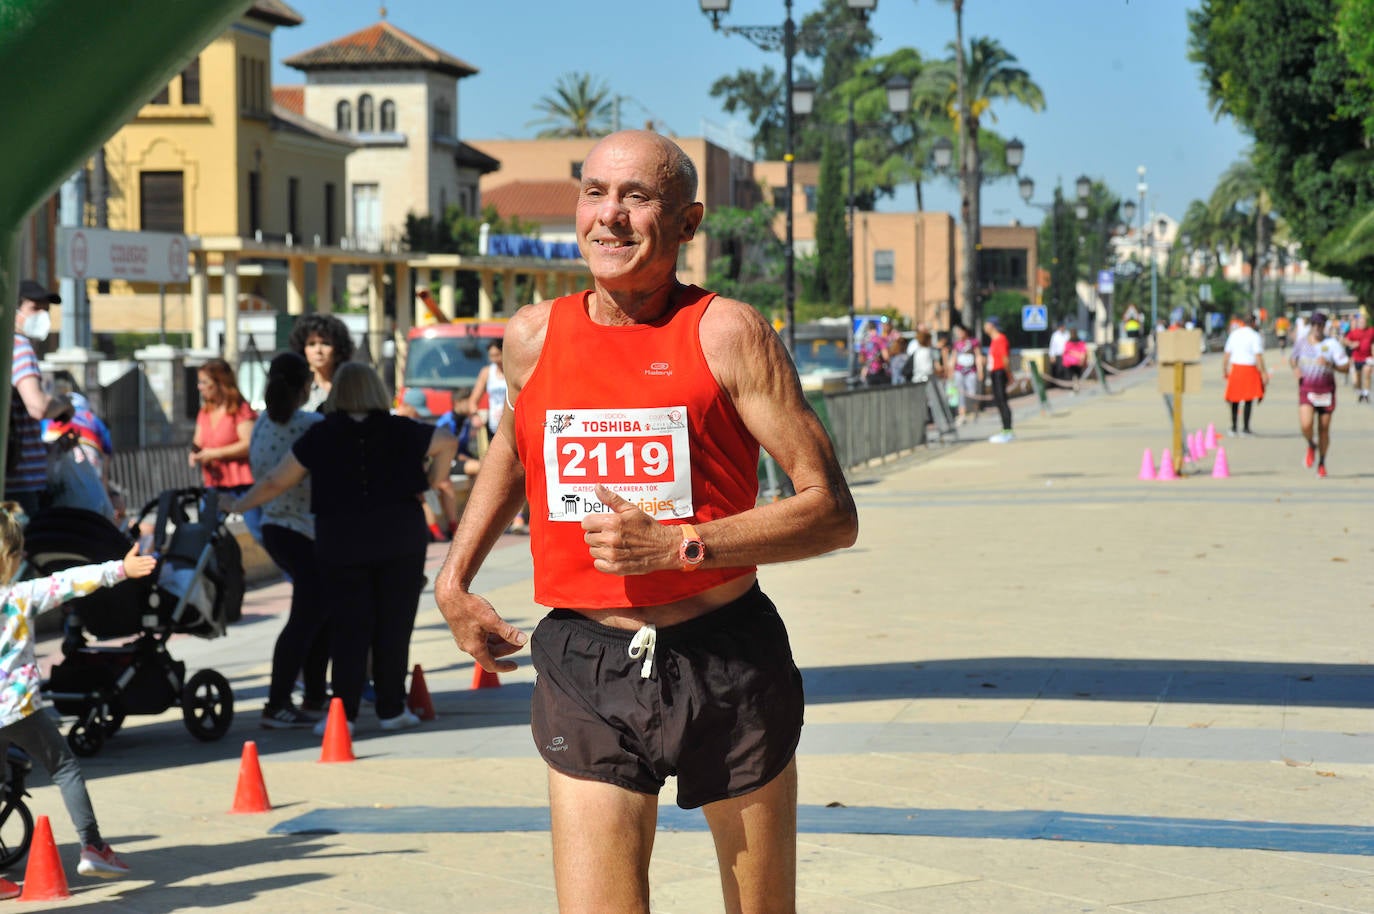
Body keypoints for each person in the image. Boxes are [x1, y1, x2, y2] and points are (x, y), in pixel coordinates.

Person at [433, 129, 858, 914]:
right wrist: (453, 580)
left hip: (724, 659)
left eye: (637, 197)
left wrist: (682, 545)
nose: (611, 217)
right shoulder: (532, 336)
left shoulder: (728, 333)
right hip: (587, 660)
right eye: (595, 193)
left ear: (688, 223)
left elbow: (831, 512)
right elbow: (515, 449)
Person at [227, 363, 456, 733]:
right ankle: (391, 708)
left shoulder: (321, 435)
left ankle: (343, 713)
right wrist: (433, 479)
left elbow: (275, 482)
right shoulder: (402, 429)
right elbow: (447, 440)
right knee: (394, 626)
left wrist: (237, 506)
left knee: (349, 628)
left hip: (341, 541)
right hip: (400, 536)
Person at [0, 502, 155, 878]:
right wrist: (121, 569)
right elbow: (71, 581)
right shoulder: (21, 596)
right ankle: (93, 846)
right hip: (18, 710)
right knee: (64, 767)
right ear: (14, 557)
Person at [247, 352, 328, 728]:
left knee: (316, 615)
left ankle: (314, 695)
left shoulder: (261, 424)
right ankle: (277, 703)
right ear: (304, 386)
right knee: (305, 619)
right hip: (302, 531)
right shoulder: (312, 424)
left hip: (275, 529)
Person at [6, 280, 72, 519]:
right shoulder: (19, 347)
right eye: (35, 309)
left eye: (46, 310)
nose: (43, 315)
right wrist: (65, 404)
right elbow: (38, 406)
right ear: (15, 311)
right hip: (21, 483)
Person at [189, 358, 262, 543]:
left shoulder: (240, 410)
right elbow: (198, 442)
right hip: (214, 484)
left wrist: (215, 453)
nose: (200, 387)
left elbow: (249, 444)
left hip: (244, 484)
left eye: (205, 382)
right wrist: (194, 453)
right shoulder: (204, 412)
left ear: (220, 382)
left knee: (259, 532)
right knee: (206, 534)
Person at [1290, 311, 1349, 478]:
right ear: (1311, 326)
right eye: (1314, 324)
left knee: (1324, 429)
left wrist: (1330, 364)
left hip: (1326, 390)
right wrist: (1295, 368)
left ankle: (1322, 463)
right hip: (1307, 389)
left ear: (1324, 326)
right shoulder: (1301, 343)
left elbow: (1345, 367)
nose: (1317, 327)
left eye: (1320, 324)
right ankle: (1310, 444)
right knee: (1306, 424)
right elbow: (1293, 359)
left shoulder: (1332, 344)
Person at [289, 313, 355, 412]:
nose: (318, 350)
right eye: (311, 344)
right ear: (303, 349)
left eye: (325, 343)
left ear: (338, 348)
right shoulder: (296, 389)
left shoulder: (350, 387)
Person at [1222, 312, 1269, 436]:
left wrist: (1224, 369)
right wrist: (1263, 372)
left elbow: (1227, 354)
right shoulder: (1255, 336)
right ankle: (1246, 428)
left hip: (1236, 368)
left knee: (1234, 399)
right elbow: (1258, 356)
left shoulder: (1234, 334)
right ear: (1253, 323)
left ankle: (1233, 427)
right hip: (1249, 369)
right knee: (1248, 399)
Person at [984, 315, 1014, 443]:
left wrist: (1009, 375)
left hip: (1000, 373)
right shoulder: (994, 340)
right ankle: (1005, 429)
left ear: (992, 325)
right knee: (999, 401)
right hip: (994, 372)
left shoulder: (1001, 339)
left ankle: (1008, 430)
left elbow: (1005, 359)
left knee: (1002, 401)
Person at [949, 323, 982, 425]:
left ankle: (974, 412)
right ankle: (962, 414)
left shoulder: (973, 342)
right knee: (961, 393)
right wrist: (951, 371)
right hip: (959, 370)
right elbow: (953, 358)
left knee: (972, 392)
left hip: (971, 370)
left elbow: (978, 356)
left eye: (960, 331)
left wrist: (980, 371)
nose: (959, 334)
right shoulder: (956, 344)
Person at [1341, 311, 1373, 402]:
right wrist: (1351, 343)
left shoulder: (1371, 331)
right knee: (1357, 379)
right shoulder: (1354, 332)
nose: (1363, 324)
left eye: (1364, 322)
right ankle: (1360, 392)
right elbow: (1344, 340)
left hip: (1368, 358)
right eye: (1361, 322)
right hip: (1357, 358)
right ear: (1358, 323)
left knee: (1367, 373)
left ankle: (1366, 393)